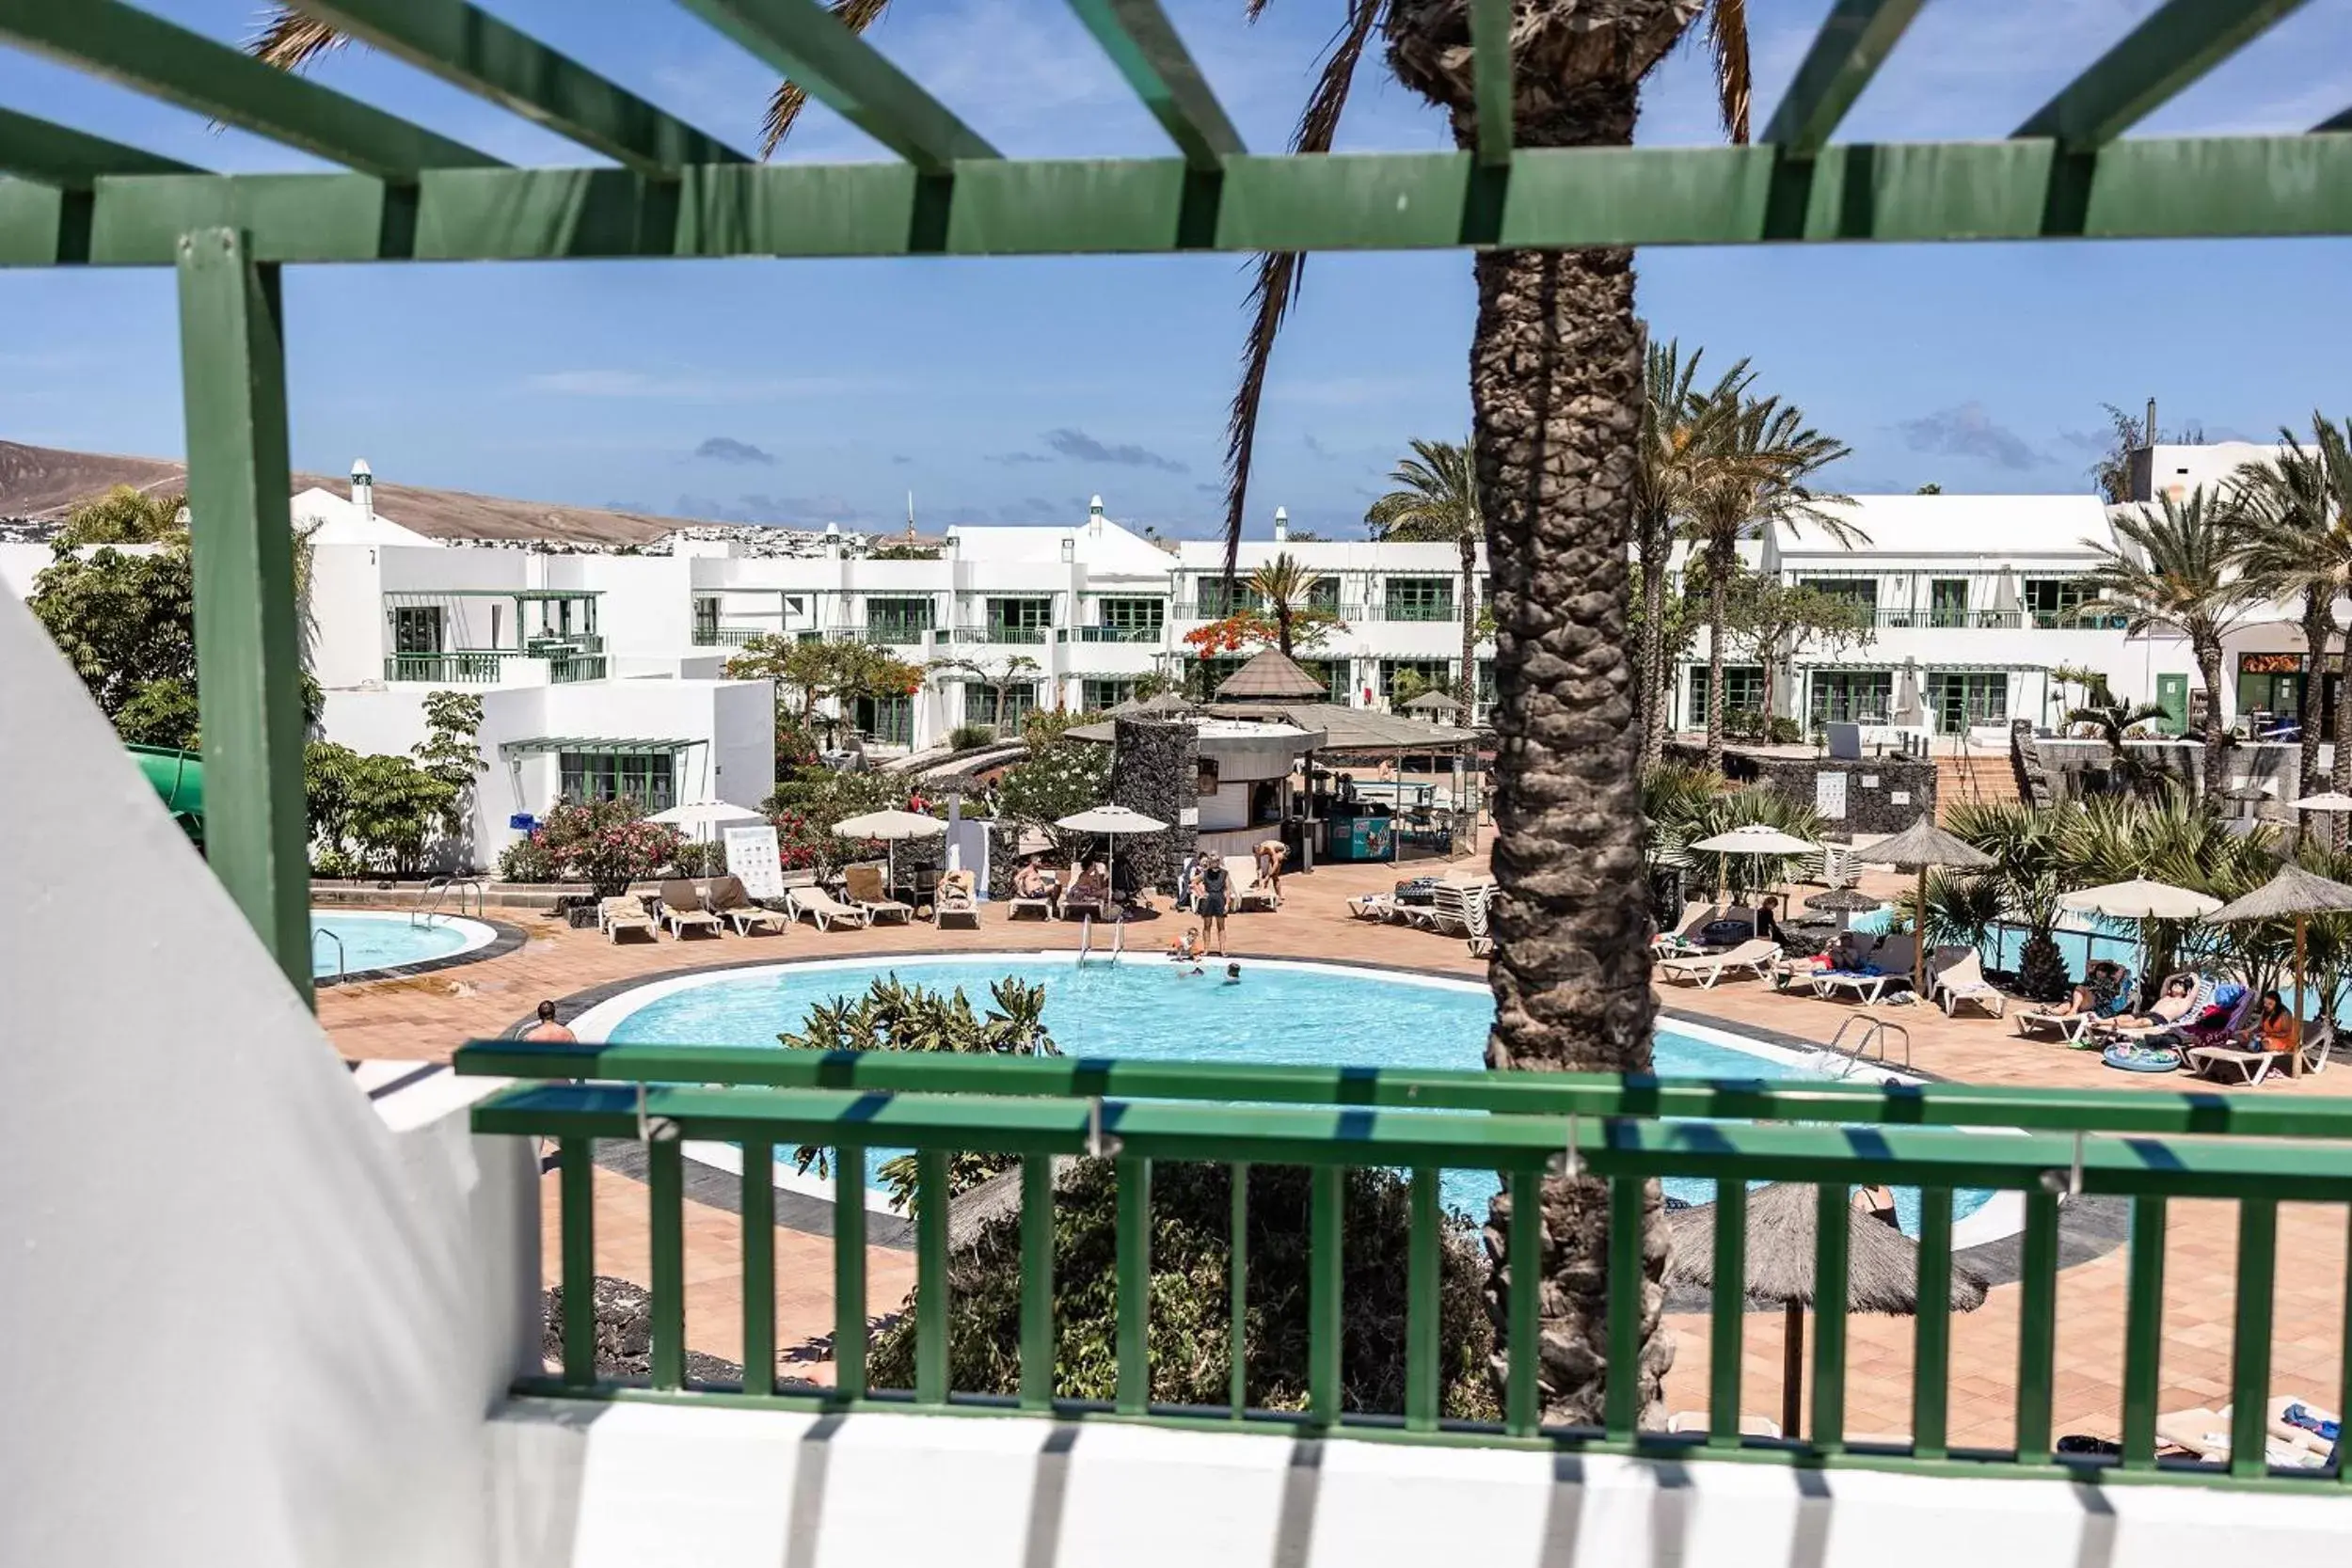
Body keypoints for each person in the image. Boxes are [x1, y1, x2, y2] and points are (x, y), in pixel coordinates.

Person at [2107, 974, 2199, 1032]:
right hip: (2148, 1013)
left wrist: (2195, 978)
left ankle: (2119, 1025)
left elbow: (2196, 986)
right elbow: (2168, 979)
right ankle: (2098, 1021)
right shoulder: (2165, 997)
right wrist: (2185, 974)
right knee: (2123, 1017)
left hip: (2161, 1019)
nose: (2176, 985)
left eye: (2180, 985)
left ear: (2185, 992)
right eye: (2175, 984)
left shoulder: (2185, 1001)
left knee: (2141, 1022)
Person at [1193, 855, 1232, 956]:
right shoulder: (1205, 873)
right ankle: (1206, 949)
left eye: (1216, 860)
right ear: (1210, 862)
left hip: (1220, 899)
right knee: (1207, 925)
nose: (1215, 862)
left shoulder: (1224, 873)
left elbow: (1228, 889)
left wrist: (1227, 903)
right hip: (1208, 899)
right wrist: (1201, 894)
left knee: (1221, 926)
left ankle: (1222, 949)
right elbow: (1194, 883)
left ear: (1219, 861)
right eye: (1212, 861)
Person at [2252, 989, 2297, 1054]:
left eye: (2270, 1004)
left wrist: (2268, 1034)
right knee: (2242, 1036)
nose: (2266, 1005)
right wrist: (2251, 1032)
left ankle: (2256, 1048)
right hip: (2267, 1037)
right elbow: (2260, 1027)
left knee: (2265, 1044)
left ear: (2277, 1003)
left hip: (2283, 1040)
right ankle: (2256, 1046)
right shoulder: (2266, 1011)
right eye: (2265, 1003)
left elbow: (2286, 1033)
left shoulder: (2285, 1014)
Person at [1252, 838, 1289, 905]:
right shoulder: (1258, 853)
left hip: (1284, 850)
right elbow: (1259, 867)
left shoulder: (1269, 847)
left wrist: (1268, 876)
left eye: (1260, 853)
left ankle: (1279, 897)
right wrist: (1260, 879)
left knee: (1274, 875)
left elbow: (1276, 863)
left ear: (1261, 849)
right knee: (1267, 876)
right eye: (1257, 854)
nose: (1259, 855)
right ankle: (1265, 893)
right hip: (1275, 853)